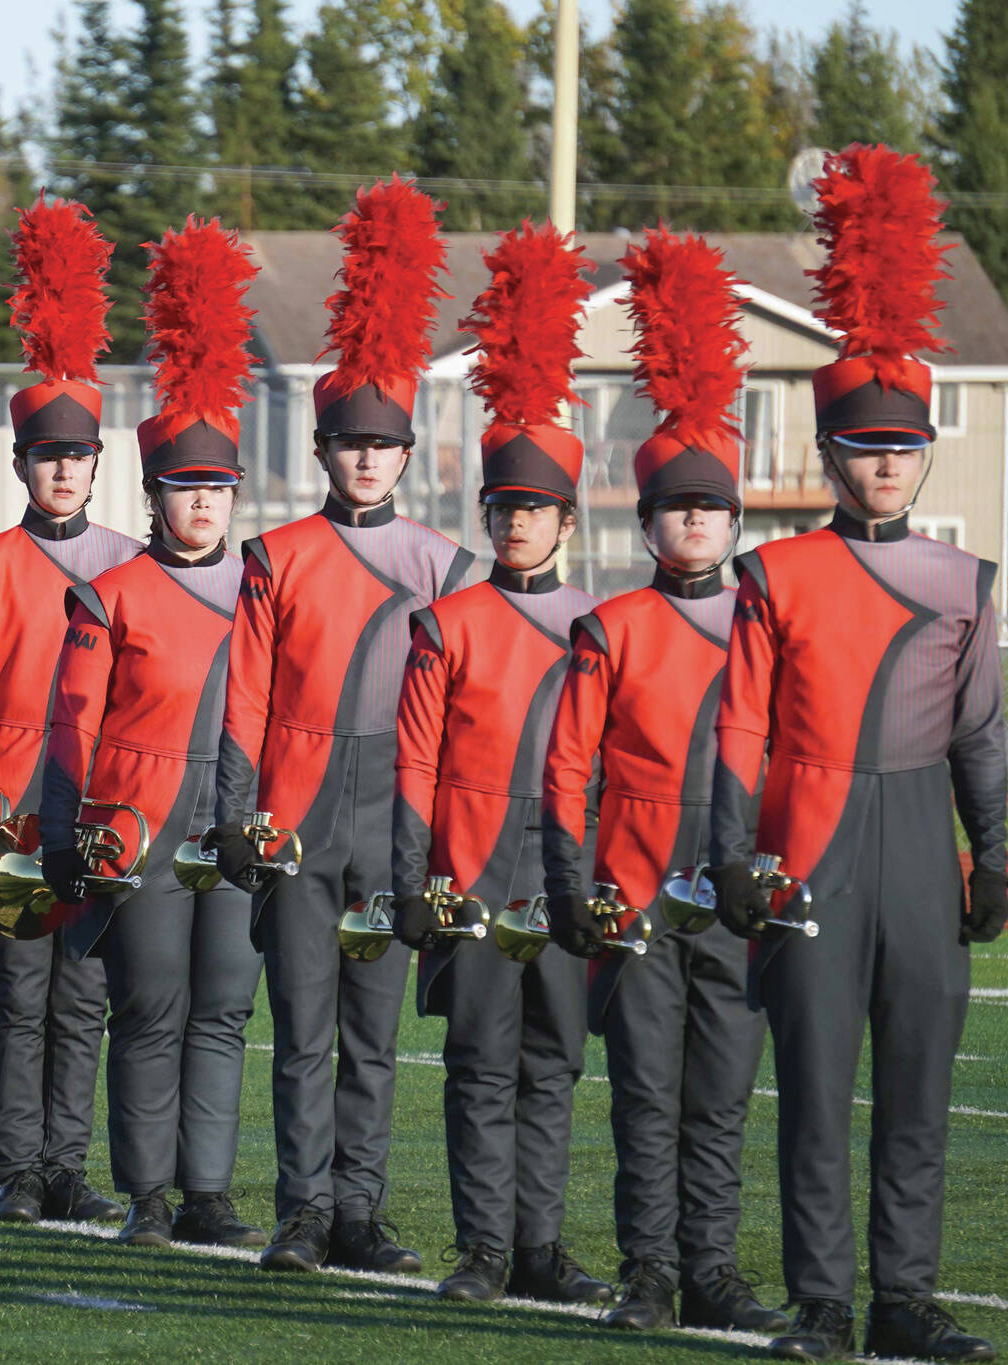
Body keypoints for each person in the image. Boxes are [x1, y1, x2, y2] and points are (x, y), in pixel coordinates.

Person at [708, 145, 1005, 1364]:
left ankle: (904, 1300)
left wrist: (988, 860)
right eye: (862, 447)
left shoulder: (962, 581)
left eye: (901, 447)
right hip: (812, 843)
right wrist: (733, 853)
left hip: (919, 854)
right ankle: (822, 1306)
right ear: (828, 454)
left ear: (920, 453)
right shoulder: (769, 574)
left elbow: (980, 730)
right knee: (818, 1090)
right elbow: (736, 724)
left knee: (920, 1091)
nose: (883, 463)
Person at [217, 180, 470, 1273]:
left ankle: (361, 1217)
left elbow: (461, 714)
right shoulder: (272, 558)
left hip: (396, 819)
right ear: (320, 453)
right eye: (347, 445)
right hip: (299, 816)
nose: (365, 460)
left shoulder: (442, 566)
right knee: (302, 1031)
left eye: (382, 447)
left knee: (374, 1037)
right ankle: (303, 1214)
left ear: (405, 456)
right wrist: (236, 816)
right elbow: (244, 698)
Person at [541, 229, 787, 1336]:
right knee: (644, 1095)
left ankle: (713, 1270)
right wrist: (566, 879)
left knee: (721, 1096)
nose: (693, 523)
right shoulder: (610, 627)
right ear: (642, 524)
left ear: (734, 525)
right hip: (632, 887)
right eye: (674, 510)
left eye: (710, 511)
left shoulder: (768, 626)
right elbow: (566, 764)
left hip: (739, 897)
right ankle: (647, 1270)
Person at [390, 222, 610, 1306]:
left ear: (562, 520)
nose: (516, 521)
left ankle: (539, 1249)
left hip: (563, 865)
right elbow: (414, 761)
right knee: (478, 1068)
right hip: (469, 864)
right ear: (482, 513)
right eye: (503, 507)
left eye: (534, 508)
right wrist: (412, 883)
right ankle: (480, 1252)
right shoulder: (446, 620)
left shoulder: (596, 625)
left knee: (554, 1065)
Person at [45, 217, 263, 1250]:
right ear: (156, 496)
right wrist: (66, 824)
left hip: (238, 817)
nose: (203, 505)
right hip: (135, 817)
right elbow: (73, 714)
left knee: (223, 1005)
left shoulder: (268, 585)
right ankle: (145, 1196)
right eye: (184, 490)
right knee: (151, 1006)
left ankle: (208, 1192)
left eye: (217, 489)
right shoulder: (110, 590)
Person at [0, 197, 137, 1226]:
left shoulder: (133, 567)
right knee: (16, 1000)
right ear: (19, 468)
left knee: (83, 996)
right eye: (46, 458)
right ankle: (15, 1172)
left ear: (97, 466)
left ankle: (66, 1166)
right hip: (6, 811)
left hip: (101, 809)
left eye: (78, 458)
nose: (61, 470)